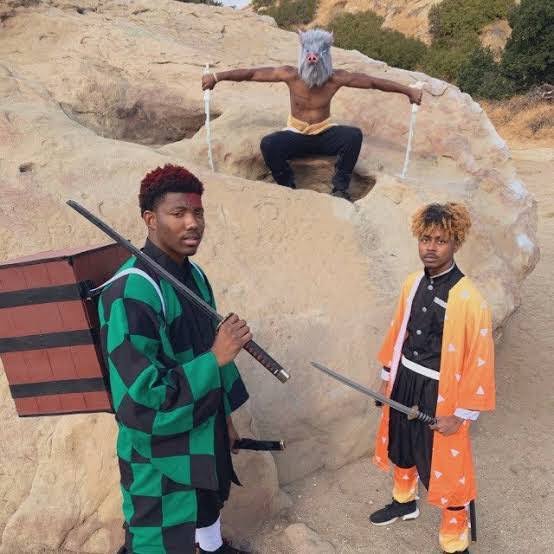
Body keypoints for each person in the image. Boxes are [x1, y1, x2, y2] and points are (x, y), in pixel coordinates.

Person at [98, 164, 250, 554]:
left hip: (202, 423)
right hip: (157, 445)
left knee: (207, 498)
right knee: (159, 531)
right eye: (178, 213)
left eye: (197, 212)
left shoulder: (194, 275)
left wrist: (225, 419)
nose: (192, 223)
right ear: (150, 219)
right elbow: (141, 398)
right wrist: (215, 358)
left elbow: (209, 350)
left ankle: (213, 547)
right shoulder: (131, 292)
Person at [370, 203, 495, 554]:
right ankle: (404, 502)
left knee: (447, 464)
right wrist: (388, 375)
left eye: (440, 241)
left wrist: (462, 414)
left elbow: (480, 359)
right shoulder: (411, 283)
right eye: (426, 239)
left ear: (456, 243)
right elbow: (399, 330)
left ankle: (454, 542)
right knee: (401, 443)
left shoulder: (470, 298)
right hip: (406, 378)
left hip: (441, 391)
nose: (431, 247)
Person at [201, 29, 422, 201]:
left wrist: (408, 91)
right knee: (269, 144)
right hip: (295, 134)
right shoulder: (290, 75)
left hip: (324, 133)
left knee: (353, 136)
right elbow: (252, 74)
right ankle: (287, 187)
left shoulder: (336, 78)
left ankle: (340, 189)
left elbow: (373, 82)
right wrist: (217, 77)